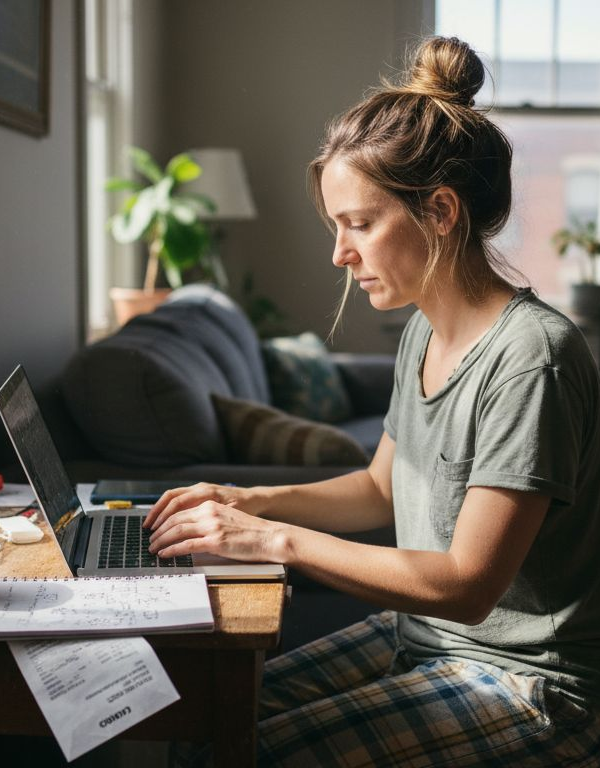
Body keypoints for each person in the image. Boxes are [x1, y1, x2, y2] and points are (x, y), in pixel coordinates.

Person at [145, 35, 600, 767]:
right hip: (420, 637)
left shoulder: (531, 358)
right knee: (205, 720)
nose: (340, 253)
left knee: (247, 752)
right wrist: (248, 500)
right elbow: (379, 488)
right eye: (337, 227)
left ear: (441, 211)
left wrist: (272, 541)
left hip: (532, 683)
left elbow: (466, 586)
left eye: (359, 224)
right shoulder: (423, 330)